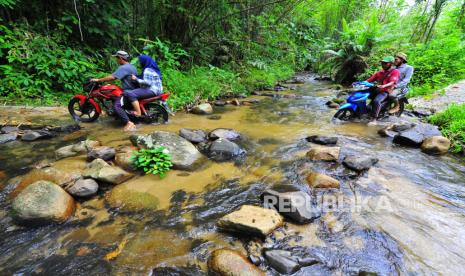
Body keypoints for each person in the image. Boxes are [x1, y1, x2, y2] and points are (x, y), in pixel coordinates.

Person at [90, 50, 138, 131]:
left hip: (129, 92)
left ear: (120, 58)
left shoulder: (124, 68)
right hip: (134, 90)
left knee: (117, 106)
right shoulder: (132, 66)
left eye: (117, 58)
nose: (116, 60)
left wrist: (99, 80)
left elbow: (113, 77)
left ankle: (128, 123)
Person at [366, 56, 400, 120]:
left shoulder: (395, 71)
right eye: (382, 63)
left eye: (385, 63)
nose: (383, 64)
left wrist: (384, 85)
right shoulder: (380, 72)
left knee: (376, 101)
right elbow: (370, 80)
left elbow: (392, 82)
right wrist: (360, 83)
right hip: (378, 89)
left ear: (391, 64)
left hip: (386, 90)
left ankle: (374, 119)